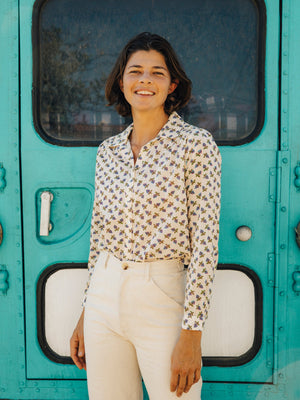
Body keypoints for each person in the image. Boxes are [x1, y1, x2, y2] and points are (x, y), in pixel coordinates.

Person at [70, 32, 221, 400]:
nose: (145, 81)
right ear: (121, 82)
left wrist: (192, 333)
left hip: (161, 298)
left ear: (172, 85)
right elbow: (98, 238)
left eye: (157, 73)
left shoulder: (196, 145)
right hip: (104, 300)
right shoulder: (108, 152)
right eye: (135, 71)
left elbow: (205, 242)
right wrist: (85, 311)